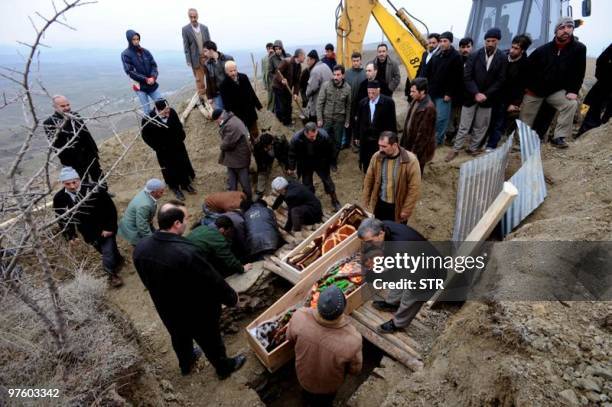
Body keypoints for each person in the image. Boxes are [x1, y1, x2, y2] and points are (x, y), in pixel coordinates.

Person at [133, 201, 246, 378]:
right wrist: (232, 298)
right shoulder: (186, 251)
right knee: (211, 340)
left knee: (179, 337)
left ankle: (186, 364)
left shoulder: (141, 247)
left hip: (166, 307)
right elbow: (212, 280)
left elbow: (146, 280)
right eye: (185, 218)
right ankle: (224, 368)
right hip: (196, 309)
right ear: (176, 224)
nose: (187, 222)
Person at [357, 218, 445, 332]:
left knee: (410, 297)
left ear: (381, 234)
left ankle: (398, 323)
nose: (368, 244)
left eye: (369, 241)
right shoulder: (385, 226)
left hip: (429, 273)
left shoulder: (401, 246)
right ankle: (392, 303)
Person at [287, 285, 362, 406]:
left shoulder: (299, 316)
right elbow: (355, 369)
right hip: (328, 387)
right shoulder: (353, 339)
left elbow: (290, 339)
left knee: (306, 396)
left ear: (317, 303)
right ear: (343, 309)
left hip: (304, 378)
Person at [519, 17, 587, 148]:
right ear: (556, 31)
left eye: (569, 27)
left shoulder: (579, 49)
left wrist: (573, 90)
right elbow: (525, 71)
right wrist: (527, 88)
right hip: (535, 91)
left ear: (573, 29)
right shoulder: (542, 50)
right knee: (525, 121)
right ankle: (520, 143)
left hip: (554, 91)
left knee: (571, 104)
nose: (566, 30)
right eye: (562, 28)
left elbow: (579, 72)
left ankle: (558, 137)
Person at [53, 167, 123, 287]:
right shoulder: (59, 198)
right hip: (88, 232)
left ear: (79, 179)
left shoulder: (94, 190)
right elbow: (63, 219)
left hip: (104, 227)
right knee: (104, 250)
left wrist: (109, 227)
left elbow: (110, 209)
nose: (72, 186)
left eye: (74, 182)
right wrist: (70, 236)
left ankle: (112, 275)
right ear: (63, 183)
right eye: (68, 184)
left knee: (107, 251)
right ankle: (119, 260)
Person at [445, 28, 507, 162]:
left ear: (498, 41)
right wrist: (476, 93)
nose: (490, 43)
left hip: (488, 99)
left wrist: (486, 94)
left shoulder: (502, 58)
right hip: (471, 96)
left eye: (493, 41)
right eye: (488, 41)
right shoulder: (475, 55)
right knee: (464, 125)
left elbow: (501, 80)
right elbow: (467, 77)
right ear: (484, 41)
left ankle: (473, 148)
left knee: (481, 126)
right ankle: (456, 149)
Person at [141, 99, 196, 201]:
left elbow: (178, 126)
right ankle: (175, 188)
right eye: (165, 111)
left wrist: (181, 137)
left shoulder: (172, 112)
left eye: (168, 109)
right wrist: (156, 147)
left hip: (178, 146)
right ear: (158, 109)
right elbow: (145, 136)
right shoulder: (149, 118)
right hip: (163, 150)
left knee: (182, 163)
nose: (168, 112)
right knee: (169, 169)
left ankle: (185, 184)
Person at [485, 34, 532, 150]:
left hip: (507, 98)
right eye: (512, 47)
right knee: (488, 119)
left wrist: (515, 103)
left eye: (516, 48)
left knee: (499, 122)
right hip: (493, 94)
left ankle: (491, 145)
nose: (512, 50)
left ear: (522, 50)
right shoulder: (503, 56)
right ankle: (482, 141)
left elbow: (521, 86)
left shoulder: (525, 65)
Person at [44, 95, 104, 184]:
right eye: (63, 106)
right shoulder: (49, 123)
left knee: (98, 175)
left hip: (89, 154)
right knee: (82, 181)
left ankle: (103, 193)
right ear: (55, 107)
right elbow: (55, 145)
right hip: (73, 160)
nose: (67, 108)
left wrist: (94, 151)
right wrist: (67, 162)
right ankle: (87, 196)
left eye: (68, 105)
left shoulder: (75, 115)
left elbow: (87, 135)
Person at [363, 132, 421, 223]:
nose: (380, 149)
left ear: (394, 145)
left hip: (397, 206)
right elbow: (369, 178)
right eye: (379, 145)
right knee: (379, 231)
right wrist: (366, 199)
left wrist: (406, 209)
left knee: (396, 233)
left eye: (384, 146)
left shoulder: (411, 161)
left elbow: (414, 188)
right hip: (380, 204)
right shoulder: (377, 157)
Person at [421, 31, 463, 145]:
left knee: (441, 118)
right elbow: (431, 73)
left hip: (444, 94)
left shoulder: (456, 57)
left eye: (445, 41)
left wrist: (449, 93)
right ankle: (430, 139)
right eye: (441, 41)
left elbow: (456, 78)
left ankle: (438, 141)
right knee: (431, 117)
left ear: (450, 42)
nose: (442, 43)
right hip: (433, 92)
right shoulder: (437, 55)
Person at [288, 122, 341, 211]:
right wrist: (291, 167)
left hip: (320, 162)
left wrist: (331, 162)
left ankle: (335, 201)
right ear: (305, 133)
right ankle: (311, 202)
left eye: (315, 135)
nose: (314, 138)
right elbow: (291, 154)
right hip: (305, 163)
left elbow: (331, 149)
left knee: (328, 182)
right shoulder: (296, 139)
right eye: (312, 137)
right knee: (307, 184)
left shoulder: (323, 135)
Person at [355, 81, 397, 172]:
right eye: (369, 92)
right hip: (366, 139)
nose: (371, 95)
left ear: (378, 90)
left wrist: (393, 140)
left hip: (380, 139)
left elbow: (392, 123)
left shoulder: (388, 103)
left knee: (381, 163)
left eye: (373, 92)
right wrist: (357, 136)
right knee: (367, 164)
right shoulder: (363, 103)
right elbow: (359, 122)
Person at [212, 108, 253, 201]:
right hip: (235, 157)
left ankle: (248, 200)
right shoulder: (232, 118)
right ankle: (232, 198)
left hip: (239, 159)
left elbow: (227, 144)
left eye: (216, 121)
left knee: (244, 183)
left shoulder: (230, 125)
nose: (216, 123)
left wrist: (221, 146)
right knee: (232, 181)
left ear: (220, 118)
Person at [121, 30, 162, 115]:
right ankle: (150, 127)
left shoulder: (145, 52)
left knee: (162, 105)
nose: (136, 41)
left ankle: (165, 125)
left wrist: (153, 77)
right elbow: (130, 71)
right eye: (133, 39)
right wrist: (146, 79)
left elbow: (154, 65)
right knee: (147, 111)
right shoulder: (125, 54)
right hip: (140, 87)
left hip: (151, 84)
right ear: (129, 40)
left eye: (137, 39)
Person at [401, 78, 437, 175]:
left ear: (422, 92)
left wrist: (414, 153)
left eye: (413, 91)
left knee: (415, 173)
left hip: (419, 150)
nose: (410, 94)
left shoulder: (429, 108)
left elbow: (423, 136)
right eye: (410, 91)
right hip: (410, 144)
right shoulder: (415, 100)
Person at [220, 61, 263, 140]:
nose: (233, 73)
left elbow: (251, 92)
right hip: (237, 113)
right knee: (241, 134)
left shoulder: (244, 77)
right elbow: (226, 102)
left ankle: (256, 145)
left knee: (254, 131)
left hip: (249, 109)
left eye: (234, 70)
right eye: (230, 71)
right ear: (226, 71)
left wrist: (258, 105)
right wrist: (230, 115)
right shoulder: (223, 85)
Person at [118, 178, 165, 246]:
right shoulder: (145, 205)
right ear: (153, 192)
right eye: (161, 192)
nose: (163, 194)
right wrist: (151, 240)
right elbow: (142, 226)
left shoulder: (146, 193)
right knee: (145, 246)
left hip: (139, 223)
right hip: (133, 231)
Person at [578, 43, 612, 136]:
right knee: (589, 103)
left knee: (606, 112)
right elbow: (601, 60)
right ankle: (582, 124)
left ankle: (601, 131)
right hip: (604, 82)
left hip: (604, 82)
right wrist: (601, 77)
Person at [316, 64, 352, 154]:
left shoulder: (348, 88)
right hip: (326, 119)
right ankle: (323, 159)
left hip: (339, 120)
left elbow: (348, 106)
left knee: (337, 142)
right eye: (334, 74)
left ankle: (333, 161)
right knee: (322, 139)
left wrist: (347, 120)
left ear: (343, 75)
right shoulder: (326, 86)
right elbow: (319, 103)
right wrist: (319, 119)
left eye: (338, 75)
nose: (335, 77)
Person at [446, 37, 475, 143]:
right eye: (463, 47)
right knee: (451, 117)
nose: (465, 50)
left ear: (472, 47)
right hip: (455, 96)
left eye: (468, 47)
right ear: (459, 48)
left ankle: (459, 139)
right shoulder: (455, 59)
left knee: (463, 120)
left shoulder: (475, 60)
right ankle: (449, 136)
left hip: (468, 97)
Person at [182, 8, 211, 102]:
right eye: (191, 17)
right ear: (189, 17)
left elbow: (209, 42)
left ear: (197, 16)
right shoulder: (185, 29)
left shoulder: (204, 28)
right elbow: (186, 46)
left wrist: (211, 53)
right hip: (195, 59)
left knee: (210, 76)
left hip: (206, 57)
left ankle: (211, 95)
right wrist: (188, 60)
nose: (193, 19)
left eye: (195, 17)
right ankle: (202, 99)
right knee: (199, 80)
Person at [272, 49, 305, 126]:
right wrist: (282, 80)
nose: (305, 58)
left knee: (288, 104)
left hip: (287, 87)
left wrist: (296, 93)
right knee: (282, 105)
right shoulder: (287, 62)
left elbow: (297, 81)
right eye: (304, 56)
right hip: (278, 86)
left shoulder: (299, 66)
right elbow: (277, 72)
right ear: (299, 56)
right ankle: (283, 122)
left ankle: (288, 120)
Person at [406, 33, 440, 99]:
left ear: (438, 43)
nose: (431, 45)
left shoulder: (440, 56)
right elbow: (420, 69)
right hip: (421, 87)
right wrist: (415, 82)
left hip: (431, 90)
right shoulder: (425, 53)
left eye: (433, 43)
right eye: (429, 43)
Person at [203, 41, 234, 110]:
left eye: (205, 51)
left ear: (211, 50)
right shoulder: (207, 64)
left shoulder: (228, 58)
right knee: (221, 114)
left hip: (230, 90)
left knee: (234, 109)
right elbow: (208, 81)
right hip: (217, 93)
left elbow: (234, 74)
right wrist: (209, 97)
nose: (204, 54)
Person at [345, 52, 367, 149]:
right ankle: (347, 142)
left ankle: (356, 142)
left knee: (358, 124)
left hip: (361, 103)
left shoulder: (365, 73)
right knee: (349, 123)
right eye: (354, 61)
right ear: (351, 61)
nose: (355, 63)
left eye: (357, 61)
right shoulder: (347, 73)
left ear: (360, 61)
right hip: (349, 103)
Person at [305, 50, 333, 123]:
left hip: (318, 104)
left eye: (308, 60)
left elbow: (311, 89)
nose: (307, 62)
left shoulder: (315, 71)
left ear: (313, 60)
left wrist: (306, 93)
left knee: (315, 126)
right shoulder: (325, 66)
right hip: (328, 103)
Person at [262, 42, 275, 111]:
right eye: (268, 48)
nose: (270, 50)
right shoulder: (264, 59)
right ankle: (271, 108)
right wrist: (264, 83)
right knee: (270, 95)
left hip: (276, 79)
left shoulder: (277, 57)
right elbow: (263, 71)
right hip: (268, 80)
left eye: (271, 48)